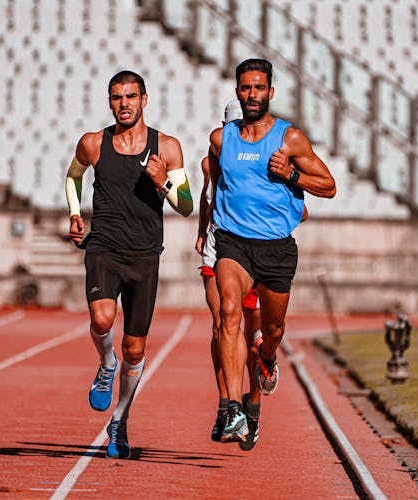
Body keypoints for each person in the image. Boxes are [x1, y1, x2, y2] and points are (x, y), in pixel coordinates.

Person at [65, 70, 193, 459]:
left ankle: (119, 421)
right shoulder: (93, 143)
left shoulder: (167, 147)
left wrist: (164, 183)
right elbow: (72, 178)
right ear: (109, 102)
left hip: (145, 255)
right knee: (102, 321)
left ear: (145, 100)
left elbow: (186, 206)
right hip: (103, 247)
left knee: (135, 350)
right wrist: (75, 213)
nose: (124, 104)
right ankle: (106, 362)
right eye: (117, 97)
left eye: (131, 96)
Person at [207, 58, 335, 443]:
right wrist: (205, 231)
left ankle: (266, 359)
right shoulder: (219, 139)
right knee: (228, 310)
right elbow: (215, 188)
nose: (252, 95)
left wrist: (290, 174)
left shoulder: (289, 138)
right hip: (233, 242)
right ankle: (230, 408)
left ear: (270, 93)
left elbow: (329, 186)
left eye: (259, 88)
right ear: (237, 92)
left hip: (276, 248)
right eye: (245, 88)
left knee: (272, 329)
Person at [196, 99, 262, 451]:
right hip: (219, 247)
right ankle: (227, 405)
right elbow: (207, 200)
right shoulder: (210, 163)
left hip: (258, 250)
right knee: (223, 322)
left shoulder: (263, 162)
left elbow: (302, 210)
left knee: (256, 338)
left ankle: (252, 403)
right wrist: (202, 230)